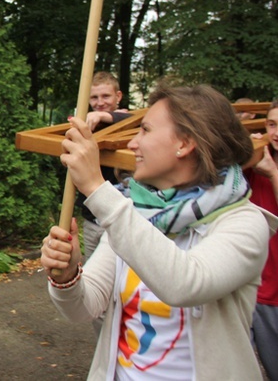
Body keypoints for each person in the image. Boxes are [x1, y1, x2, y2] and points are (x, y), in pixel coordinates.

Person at [41, 84, 277, 380]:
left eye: (146, 131)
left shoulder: (244, 222)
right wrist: (67, 275)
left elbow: (185, 284)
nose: (133, 144)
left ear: (185, 143)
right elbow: (83, 308)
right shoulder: (136, 211)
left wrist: (96, 187)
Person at [79, 72, 131, 260]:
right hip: (92, 219)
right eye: (94, 97)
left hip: (120, 218)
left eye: (105, 96)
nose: (100, 102)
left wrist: (106, 116)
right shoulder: (85, 124)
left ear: (118, 96)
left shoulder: (130, 122)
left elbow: (135, 119)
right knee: (93, 276)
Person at [245, 100, 278, 380]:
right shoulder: (258, 159)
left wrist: (273, 174)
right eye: (271, 124)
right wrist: (247, 151)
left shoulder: (270, 168)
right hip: (250, 287)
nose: (276, 132)